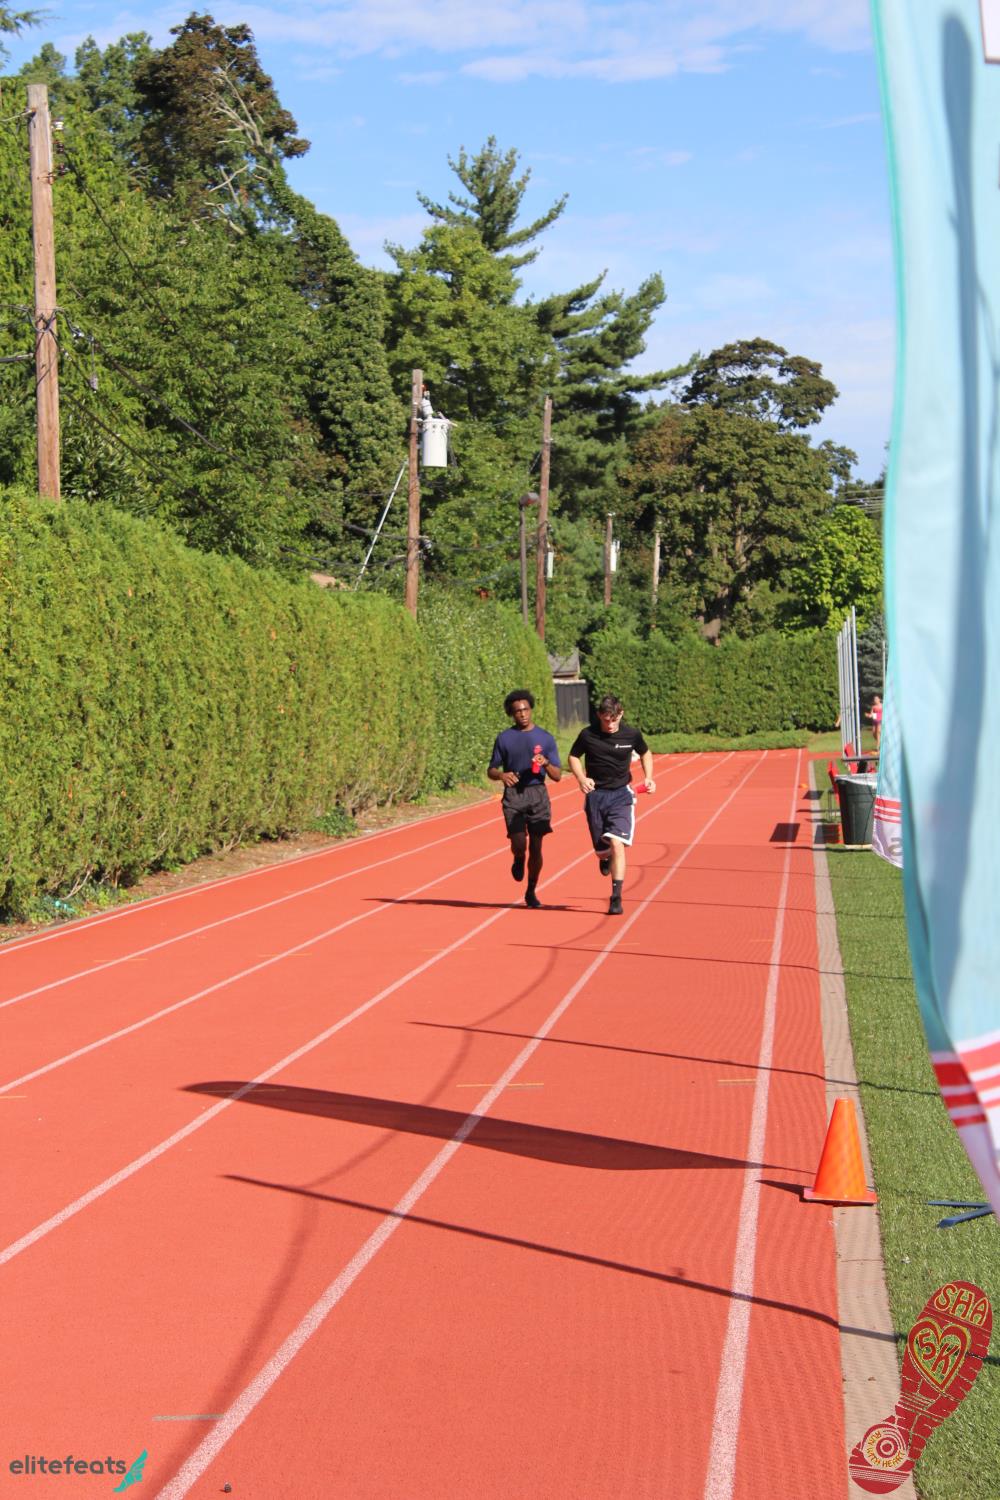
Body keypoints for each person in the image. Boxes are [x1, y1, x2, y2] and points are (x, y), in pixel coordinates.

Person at [568, 694, 655, 916]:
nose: (610, 724)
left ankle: (616, 897)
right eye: (606, 720)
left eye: (614, 719)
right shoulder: (588, 735)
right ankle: (604, 857)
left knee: (617, 843)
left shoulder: (632, 734)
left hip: (621, 795)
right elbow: (573, 756)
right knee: (602, 851)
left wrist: (648, 777)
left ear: (621, 714)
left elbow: (645, 753)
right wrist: (581, 778)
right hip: (596, 796)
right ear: (599, 715)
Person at [487, 690, 562, 908]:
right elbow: (491, 769)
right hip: (514, 795)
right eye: (517, 711)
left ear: (531, 709)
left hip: (538, 794)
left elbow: (557, 776)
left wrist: (546, 763)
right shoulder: (504, 738)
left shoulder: (545, 738)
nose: (522, 714)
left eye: (525, 710)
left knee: (536, 847)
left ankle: (531, 890)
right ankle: (518, 857)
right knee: (519, 843)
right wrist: (501, 775)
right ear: (511, 714)